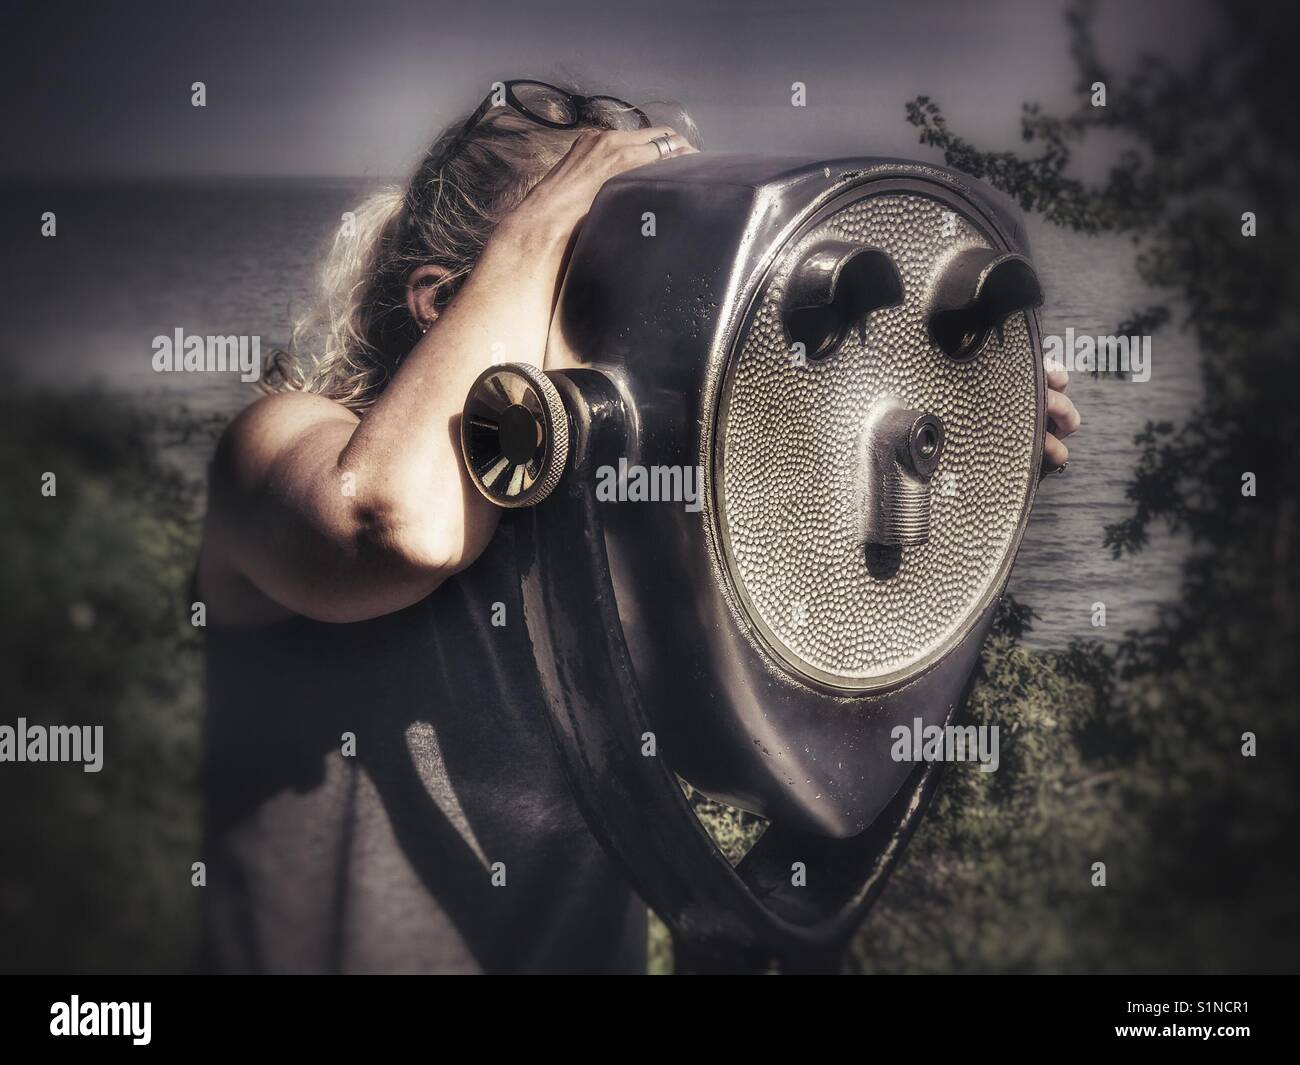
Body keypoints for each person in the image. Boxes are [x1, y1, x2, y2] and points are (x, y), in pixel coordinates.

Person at [195, 79, 1081, 975]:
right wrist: (538, 233)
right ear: (444, 300)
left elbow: (832, 747)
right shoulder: (278, 447)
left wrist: (972, 442)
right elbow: (393, 526)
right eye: (607, 273)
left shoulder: (633, 524)